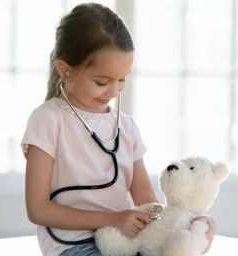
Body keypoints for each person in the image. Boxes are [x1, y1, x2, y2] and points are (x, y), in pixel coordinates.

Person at [22, 3, 215, 256]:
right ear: (65, 70)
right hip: (74, 246)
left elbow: (148, 205)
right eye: (102, 82)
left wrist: (184, 223)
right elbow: (38, 209)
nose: (114, 91)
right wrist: (112, 219)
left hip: (127, 241)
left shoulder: (126, 127)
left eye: (122, 79)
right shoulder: (48, 120)